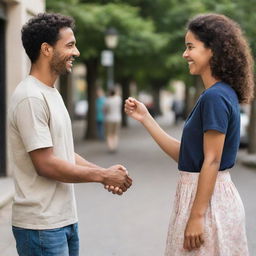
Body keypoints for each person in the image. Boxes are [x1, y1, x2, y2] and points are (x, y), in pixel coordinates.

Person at [124, 13, 254, 255]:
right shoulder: (216, 94)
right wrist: (145, 118)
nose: (185, 54)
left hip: (207, 201)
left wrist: (196, 216)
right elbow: (186, 155)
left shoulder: (215, 97)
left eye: (190, 47)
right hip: (206, 197)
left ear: (212, 50)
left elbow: (212, 160)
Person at [8, 13, 132, 256]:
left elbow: (61, 152)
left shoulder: (51, 92)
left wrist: (105, 174)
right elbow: (46, 164)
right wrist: (102, 175)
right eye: (70, 45)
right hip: (42, 226)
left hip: (62, 220)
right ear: (46, 49)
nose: (76, 52)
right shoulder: (31, 97)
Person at [104, 88, 122, 152]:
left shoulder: (107, 100)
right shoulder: (118, 99)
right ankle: (115, 146)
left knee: (109, 134)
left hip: (109, 119)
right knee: (115, 134)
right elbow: (118, 94)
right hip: (117, 118)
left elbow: (105, 110)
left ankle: (110, 147)